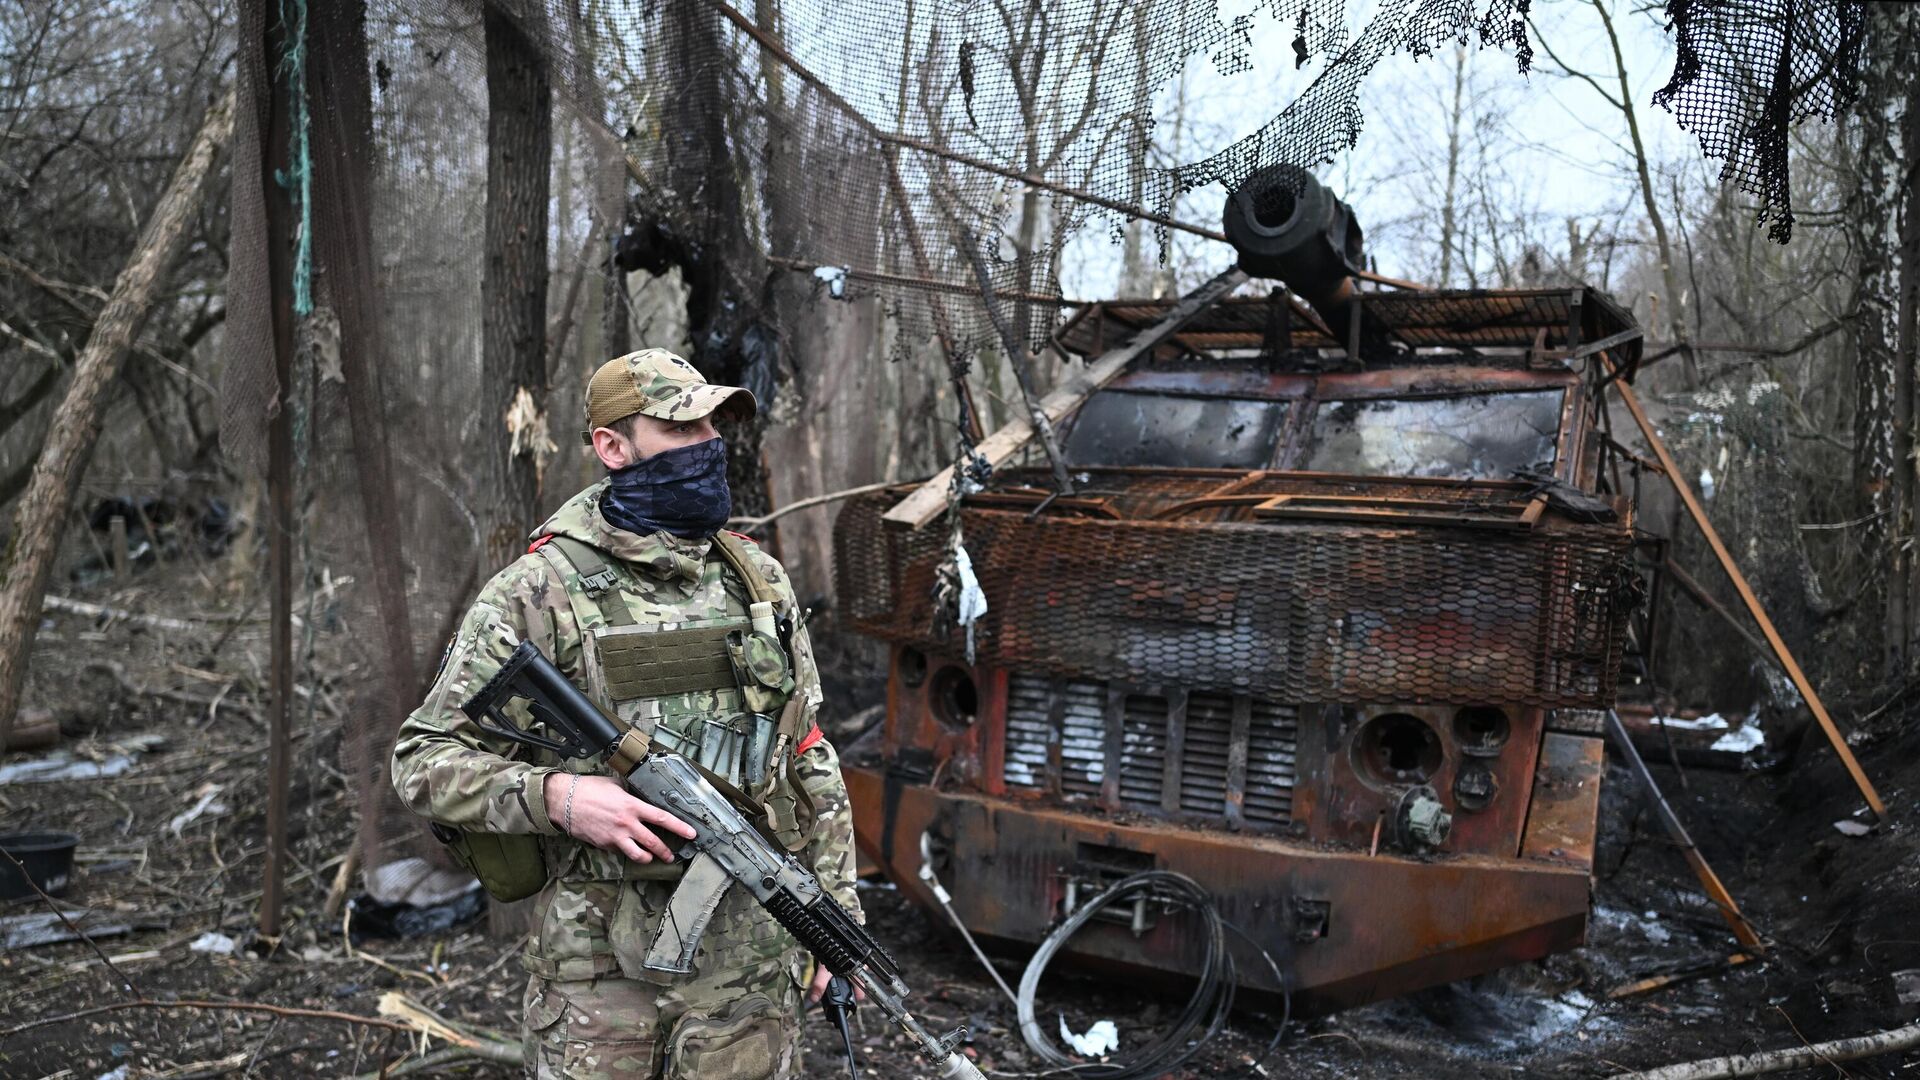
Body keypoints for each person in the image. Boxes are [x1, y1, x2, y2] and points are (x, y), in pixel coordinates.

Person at [391, 349, 863, 1079]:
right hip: (601, 981)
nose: (710, 445)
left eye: (713, 425)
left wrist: (836, 922)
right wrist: (561, 798)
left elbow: (808, 753)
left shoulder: (756, 579)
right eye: (682, 428)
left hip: (750, 977)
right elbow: (422, 761)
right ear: (614, 447)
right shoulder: (538, 590)